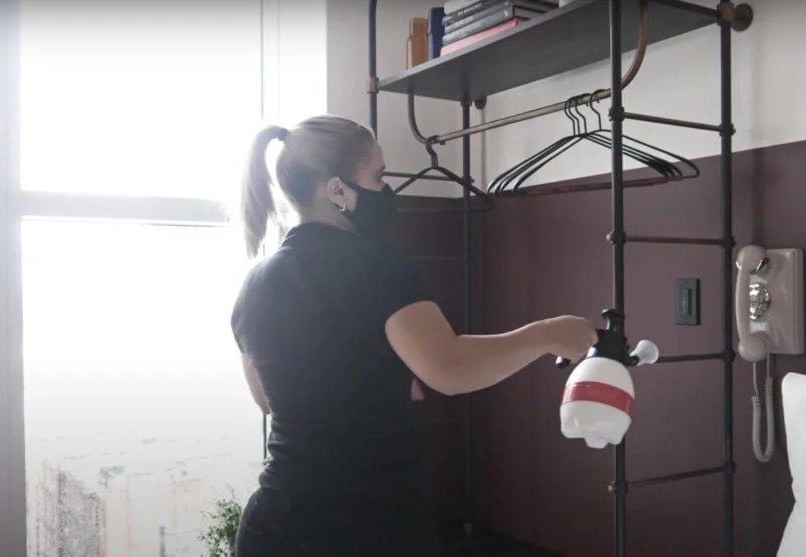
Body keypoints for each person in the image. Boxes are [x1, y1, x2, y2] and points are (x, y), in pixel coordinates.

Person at [230, 115, 597, 557]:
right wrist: (549, 334)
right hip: (362, 528)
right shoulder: (374, 263)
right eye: (378, 176)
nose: (386, 191)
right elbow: (449, 368)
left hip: (272, 526)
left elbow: (272, 399)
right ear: (337, 190)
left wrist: (377, 375)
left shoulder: (254, 284)